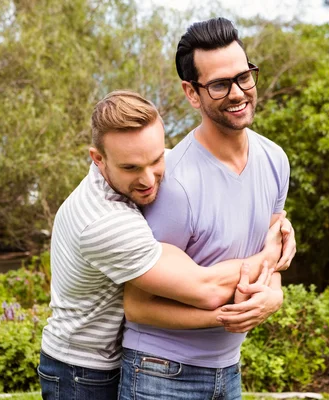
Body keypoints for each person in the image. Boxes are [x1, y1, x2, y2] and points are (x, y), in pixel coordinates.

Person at [37, 90, 295, 400]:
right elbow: (207, 288)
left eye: (157, 158)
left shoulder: (162, 165)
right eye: (131, 168)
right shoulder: (104, 221)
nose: (149, 179)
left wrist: (279, 230)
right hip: (82, 370)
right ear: (98, 159)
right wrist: (269, 254)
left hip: (119, 356)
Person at [119, 17, 293, 400]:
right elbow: (136, 305)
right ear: (192, 93)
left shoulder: (275, 159)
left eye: (244, 77)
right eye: (219, 84)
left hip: (228, 370)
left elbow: (271, 250)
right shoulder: (177, 185)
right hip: (160, 373)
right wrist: (222, 318)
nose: (238, 93)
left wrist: (274, 295)